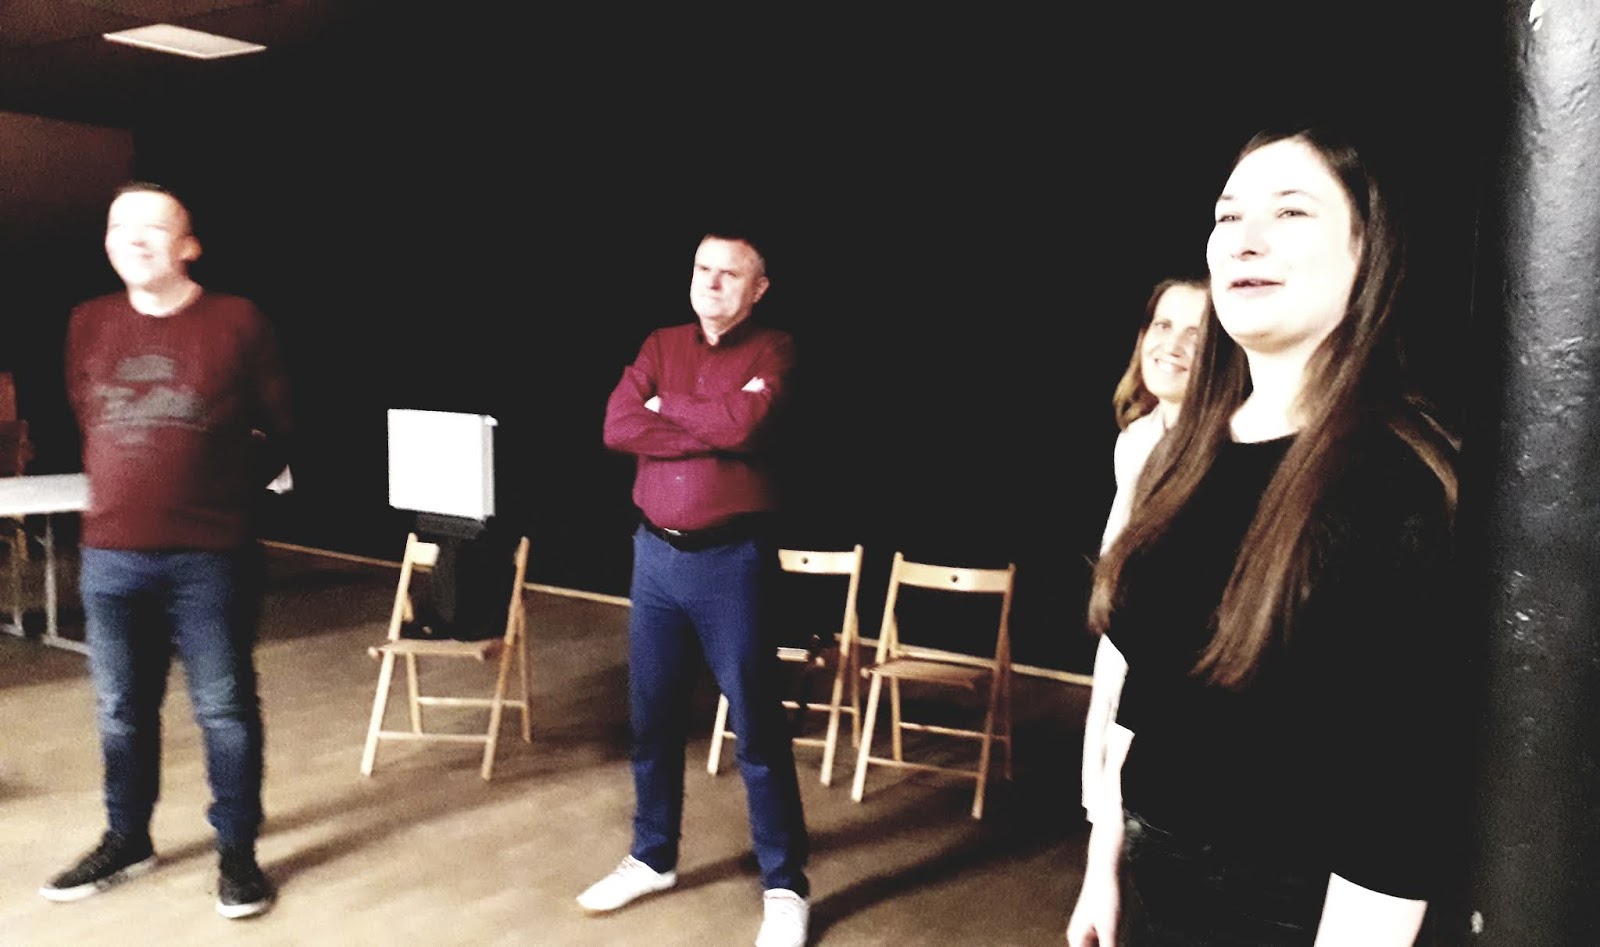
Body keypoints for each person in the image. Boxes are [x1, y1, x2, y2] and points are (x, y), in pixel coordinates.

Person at [1066, 127, 1460, 945]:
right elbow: (1150, 693)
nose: (1245, 238)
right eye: (1228, 215)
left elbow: (1398, 806)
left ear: (1367, 250)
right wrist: (1104, 865)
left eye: (1291, 211)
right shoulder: (1185, 453)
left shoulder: (1397, 481)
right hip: (1152, 895)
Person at [41, 182, 291, 920]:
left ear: (189, 246)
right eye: (120, 225)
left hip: (210, 557)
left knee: (224, 709)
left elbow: (282, 424)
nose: (134, 237)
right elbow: (84, 410)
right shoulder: (87, 321)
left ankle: (238, 853)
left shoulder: (237, 320)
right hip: (110, 555)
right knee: (120, 709)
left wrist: (221, 490)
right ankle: (127, 839)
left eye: (154, 226)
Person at [584, 231, 810, 947]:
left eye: (729, 274)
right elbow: (618, 425)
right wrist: (709, 421)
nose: (711, 283)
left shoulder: (775, 351)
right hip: (655, 558)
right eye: (702, 269)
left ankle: (785, 885)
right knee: (651, 719)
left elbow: (748, 424)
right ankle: (653, 856)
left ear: (758, 288)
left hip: (731, 563)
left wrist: (667, 407)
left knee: (758, 730)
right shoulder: (661, 342)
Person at [1080, 278, 1207, 823]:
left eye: (1196, 334)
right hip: (1124, 650)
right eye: (1163, 325)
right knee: (1111, 813)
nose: (1172, 344)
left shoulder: (1222, 448)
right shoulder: (1135, 439)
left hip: (1178, 675)